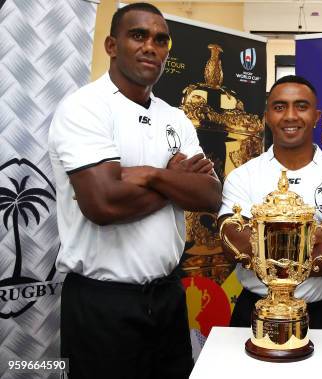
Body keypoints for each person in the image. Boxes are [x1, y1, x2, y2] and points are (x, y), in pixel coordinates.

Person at [48, 3, 222, 378]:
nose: (150, 47)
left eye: (160, 40)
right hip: (103, 304)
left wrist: (147, 176)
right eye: (138, 35)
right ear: (112, 45)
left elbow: (209, 196)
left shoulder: (175, 118)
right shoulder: (85, 108)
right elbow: (103, 204)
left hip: (168, 297)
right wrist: (174, 179)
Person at [219, 75, 322, 329]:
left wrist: (266, 237)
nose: (290, 115)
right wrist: (312, 235)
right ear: (267, 116)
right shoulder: (243, 176)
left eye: (301, 106)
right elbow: (232, 242)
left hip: (321, 314)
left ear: (316, 116)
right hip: (254, 310)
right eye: (279, 107)